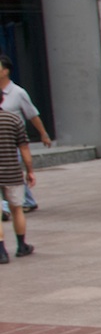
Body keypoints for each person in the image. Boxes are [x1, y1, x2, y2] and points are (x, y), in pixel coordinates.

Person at [0, 55, 50, 216]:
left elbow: (32, 115)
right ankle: (17, 203)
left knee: (12, 174)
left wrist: (43, 134)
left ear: (6, 71)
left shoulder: (18, 93)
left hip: (13, 141)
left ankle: (17, 204)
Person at [0, 104, 36, 262]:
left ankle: (1, 252)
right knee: (17, 209)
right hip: (12, 172)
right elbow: (24, 148)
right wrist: (30, 171)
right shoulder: (13, 119)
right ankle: (21, 246)